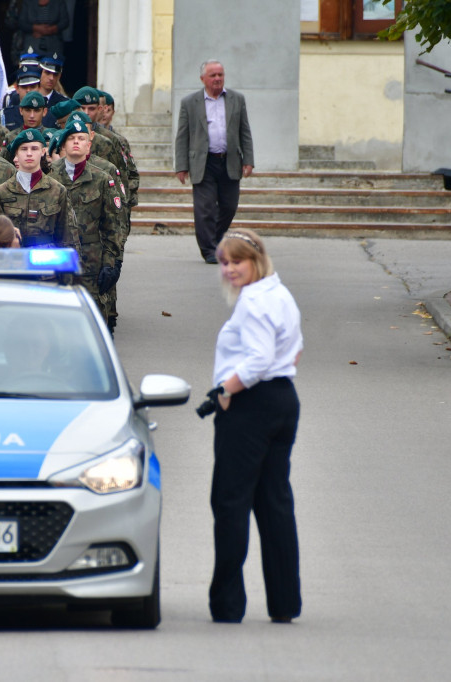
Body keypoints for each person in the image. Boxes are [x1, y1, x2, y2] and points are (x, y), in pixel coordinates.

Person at [207, 229, 302, 625]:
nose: (229, 270)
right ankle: (285, 602)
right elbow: (294, 350)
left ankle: (228, 605)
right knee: (273, 501)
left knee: (230, 503)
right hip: (282, 400)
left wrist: (224, 391)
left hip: (251, 405)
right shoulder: (279, 294)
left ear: (256, 260)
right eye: (224, 263)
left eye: (237, 261)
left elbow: (259, 358)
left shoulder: (253, 302)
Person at [175, 60, 255, 263]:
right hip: (204, 163)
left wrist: (249, 159)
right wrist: (181, 166)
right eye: (213, 75)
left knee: (229, 206)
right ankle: (209, 249)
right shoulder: (189, 102)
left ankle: (217, 239)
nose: (218, 78)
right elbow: (182, 136)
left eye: (220, 74)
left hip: (230, 161)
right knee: (205, 209)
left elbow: (244, 131)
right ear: (203, 79)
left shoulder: (237, 99)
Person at [48, 118, 124, 322]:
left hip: (92, 261)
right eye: (71, 138)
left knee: (93, 319)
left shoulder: (102, 179)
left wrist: (111, 263)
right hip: (57, 257)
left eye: (81, 138)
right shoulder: (49, 176)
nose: (76, 142)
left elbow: (113, 227)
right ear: (63, 145)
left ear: (88, 145)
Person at [0, 129, 76, 249]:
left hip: (47, 260)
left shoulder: (57, 190)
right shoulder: (2, 192)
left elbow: (68, 236)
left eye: (34, 149)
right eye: (24, 149)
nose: (29, 153)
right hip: (14, 259)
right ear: (16, 154)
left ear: (43, 152)